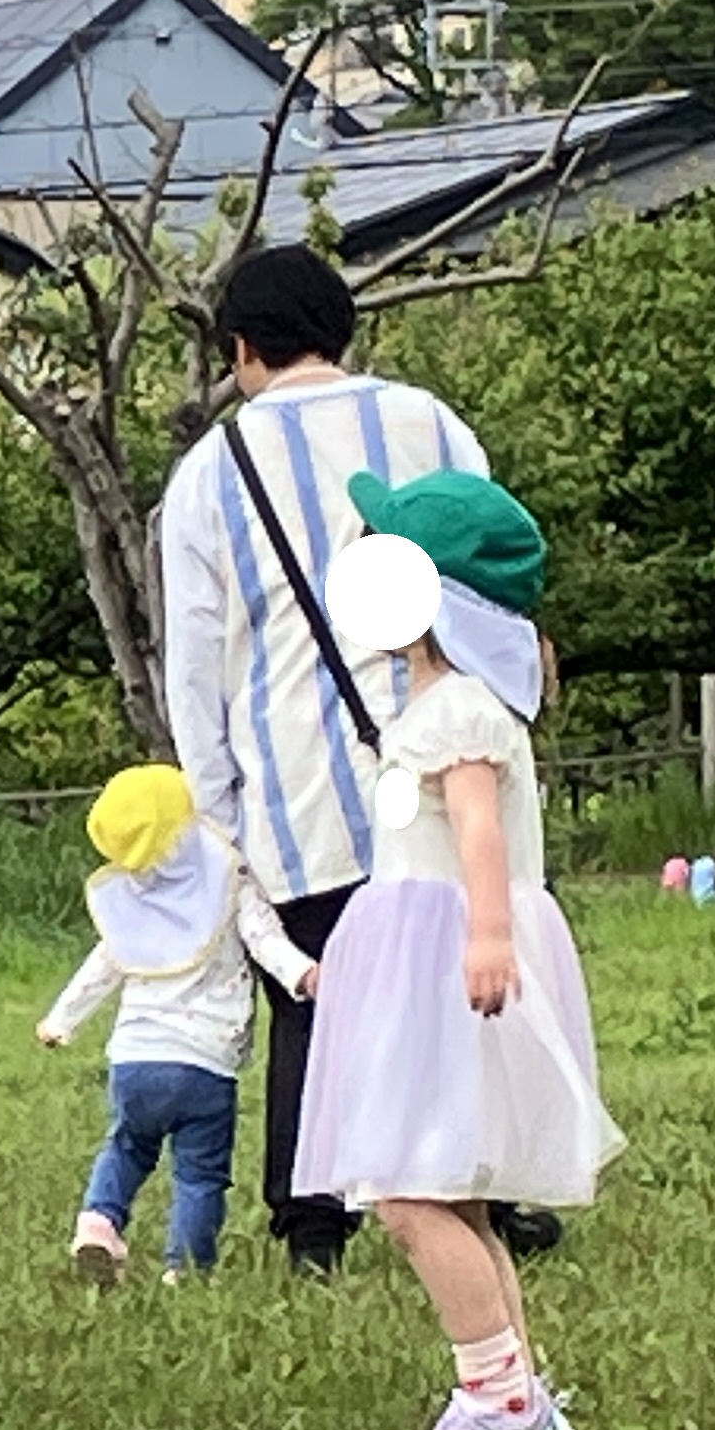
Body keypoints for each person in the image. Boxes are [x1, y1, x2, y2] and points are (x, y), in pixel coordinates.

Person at [157, 243, 500, 1277]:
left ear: (241, 349)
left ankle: (313, 1221)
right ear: (343, 330)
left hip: (295, 774)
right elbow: (489, 572)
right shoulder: (431, 424)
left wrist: (217, 807)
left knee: (316, 995)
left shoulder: (212, 470)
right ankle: (486, 1190)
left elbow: (195, 660)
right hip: (441, 757)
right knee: (457, 988)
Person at [289, 469, 622, 1430]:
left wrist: (485, 935)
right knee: (447, 1190)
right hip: (419, 952)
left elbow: (479, 830)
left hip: (443, 959)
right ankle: (517, 1395)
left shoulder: (462, 714)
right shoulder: (444, 706)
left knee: (408, 1197)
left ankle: (499, 1406)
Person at [36, 767, 314, 1282]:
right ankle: (184, 1269)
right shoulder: (230, 882)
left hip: (134, 1061)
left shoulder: (133, 902)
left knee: (126, 1147)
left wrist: (60, 1021)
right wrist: (305, 975)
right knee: (199, 1175)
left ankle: (98, 1223)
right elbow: (265, 941)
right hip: (205, 1065)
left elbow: (101, 969)